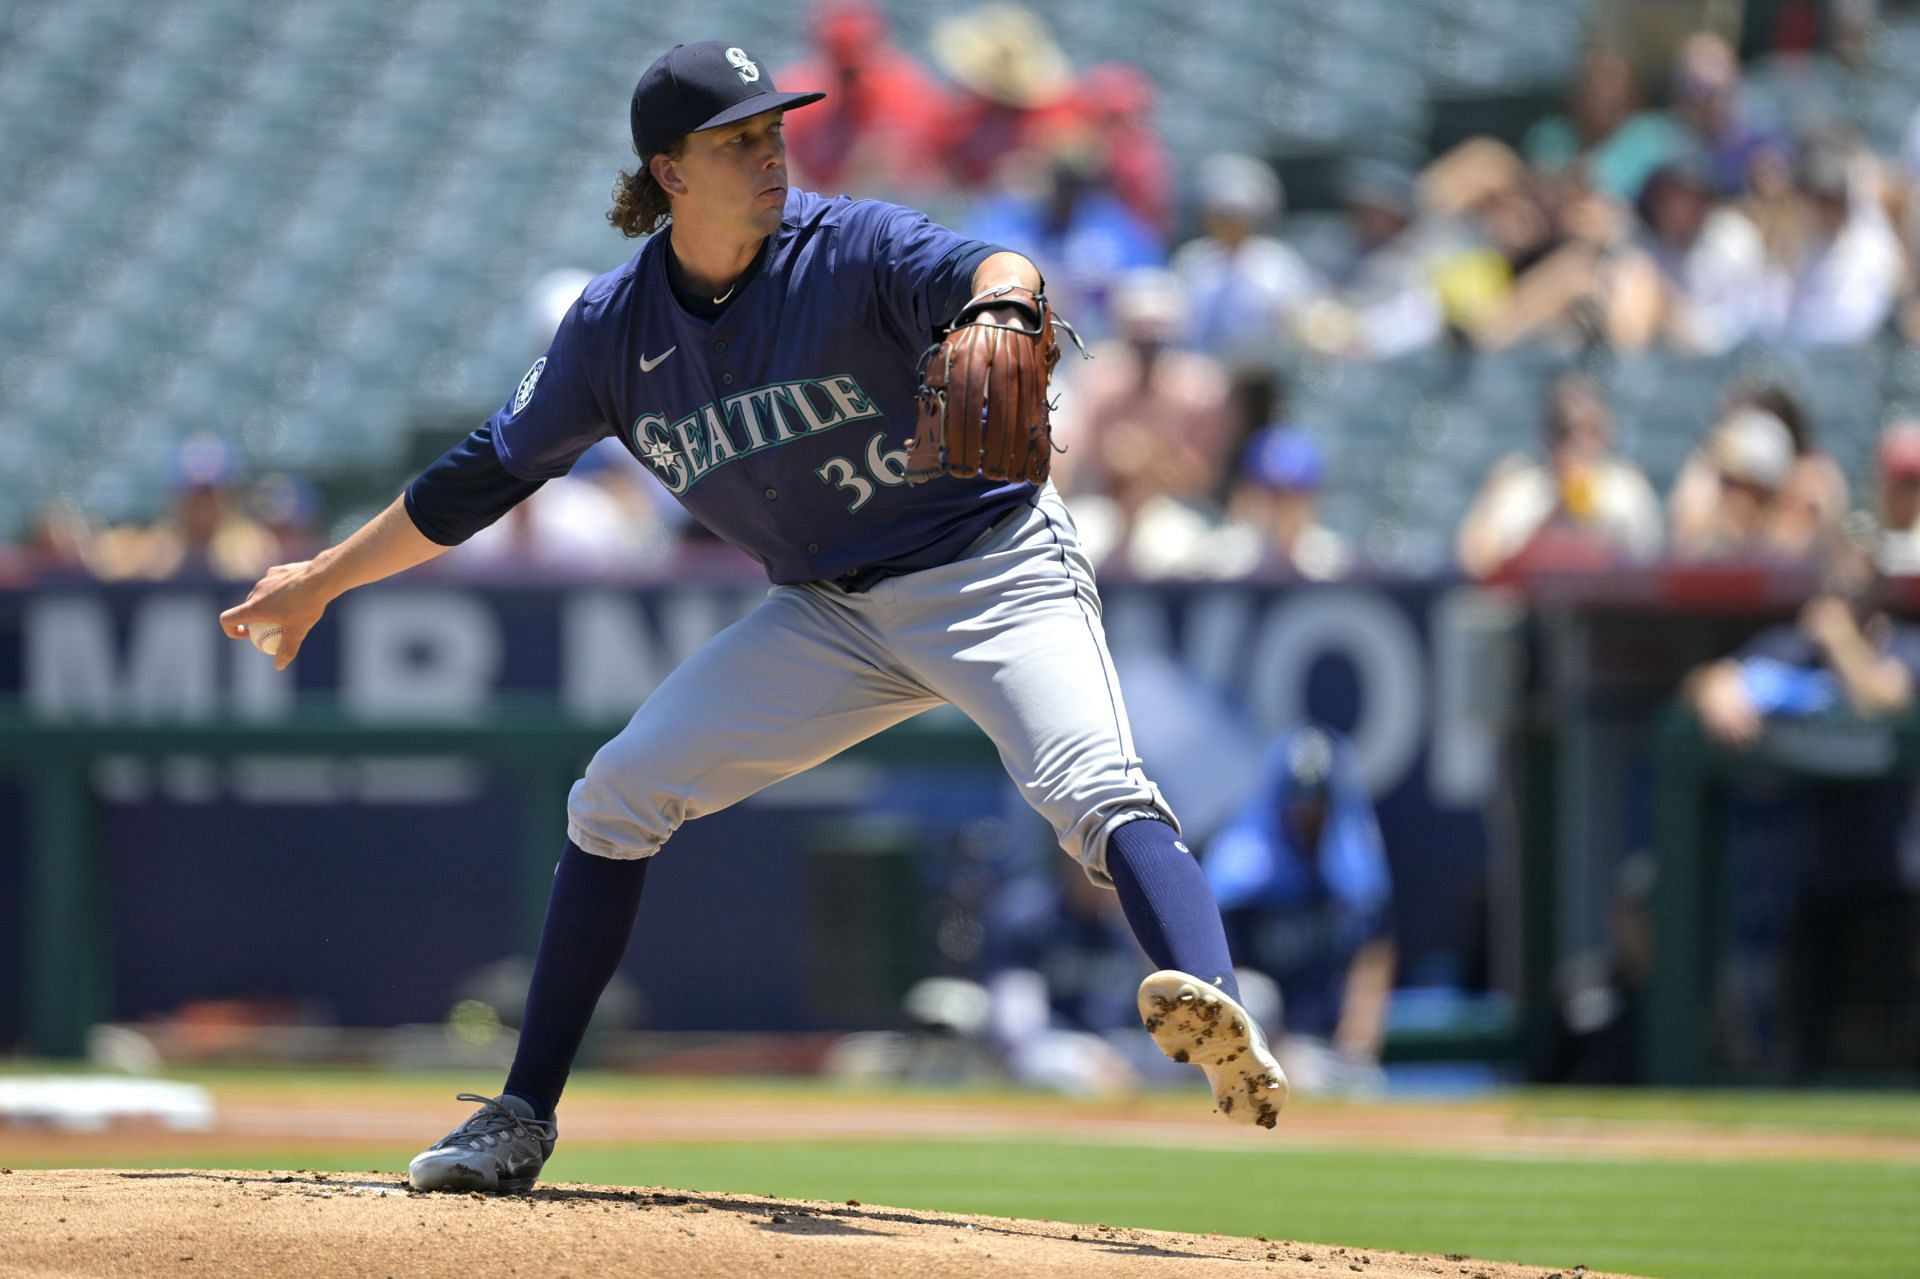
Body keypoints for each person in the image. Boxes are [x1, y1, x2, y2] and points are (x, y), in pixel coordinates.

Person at [218, 39, 1285, 1195]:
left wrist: (1011, 306)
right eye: (738, 141)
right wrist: (321, 576)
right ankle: (520, 1114)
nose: (771, 153)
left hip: (991, 571)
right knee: (616, 794)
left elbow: (998, 266)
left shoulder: (850, 246)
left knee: (1092, 784)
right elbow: (481, 475)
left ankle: (1213, 996)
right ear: (668, 171)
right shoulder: (613, 334)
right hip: (827, 612)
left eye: (774, 131)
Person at [1203, 727, 1396, 1095]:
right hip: (1268, 1041)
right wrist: (1273, 1048)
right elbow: (1220, 973)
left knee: (1368, 1089)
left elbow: (1374, 957)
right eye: (1298, 799)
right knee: (1254, 993)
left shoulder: (1355, 874)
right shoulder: (1245, 873)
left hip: (1327, 1045)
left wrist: (1359, 1038)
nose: (1308, 811)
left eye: (1318, 799)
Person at [1454, 371, 1662, 580]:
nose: (1578, 443)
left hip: (1612, 609)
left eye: (1590, 430)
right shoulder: (1521, 487)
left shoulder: (1627, 486)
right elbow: (1478, 564)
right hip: (1530, 608)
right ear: (1546, 432)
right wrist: (1552, 511)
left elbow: (1652, 564)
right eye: (1565, 430)